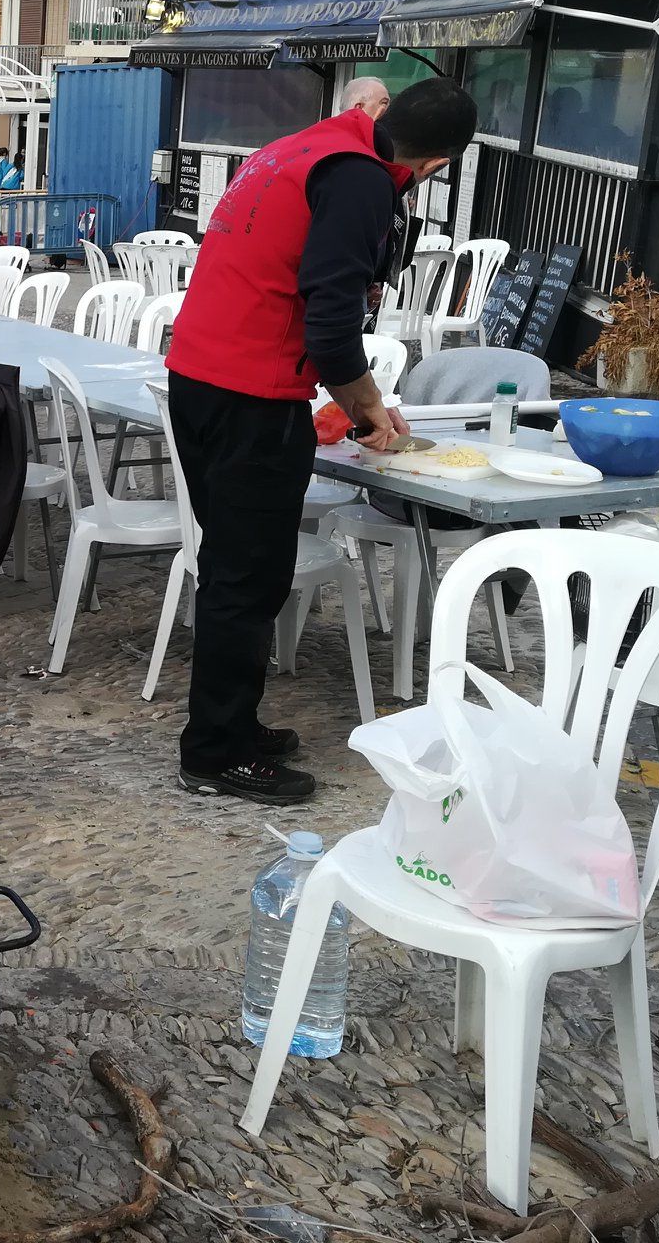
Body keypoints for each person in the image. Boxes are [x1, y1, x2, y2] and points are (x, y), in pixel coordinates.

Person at [162, 77, 476, 807]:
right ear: (436, 164)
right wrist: (372, 411)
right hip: (251, 392)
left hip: (199, 377)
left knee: (249, 567)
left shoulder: (298, 148)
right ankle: (214, 753)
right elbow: (331, 330)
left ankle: (233, 722)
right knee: (245, 577)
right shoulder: (362, 180)